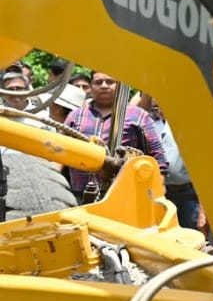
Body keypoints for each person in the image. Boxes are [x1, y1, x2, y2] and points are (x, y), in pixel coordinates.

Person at [63, 71, 168, 202]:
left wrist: (158, 194)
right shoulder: (75, 116)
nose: (104, 85)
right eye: (98, 82)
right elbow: (59, 150)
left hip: (123, 196)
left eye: (110, 82)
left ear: (119, 84)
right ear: (91, 86)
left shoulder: (139, 116)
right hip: (79, 195)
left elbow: (158, 158)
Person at [138, 95, 205, 232]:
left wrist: (203, 212)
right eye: (156, 107)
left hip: (188, 195)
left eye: (164, 104)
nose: (160, 110)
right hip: (159, 195)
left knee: (190, 235)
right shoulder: (149, 125)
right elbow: (134, 110)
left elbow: (204, 170)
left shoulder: (188, 125)